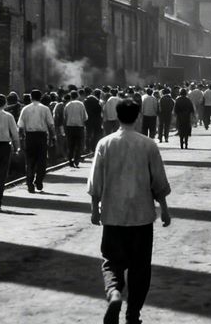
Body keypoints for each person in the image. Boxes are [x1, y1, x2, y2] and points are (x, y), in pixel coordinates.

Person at [89, 100, 171, 324]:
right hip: (141, 217)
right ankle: (133, 314)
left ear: (117, 116)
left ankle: (114, 292)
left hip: (112, 215)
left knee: (111, 261)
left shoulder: (105, 143)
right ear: (138, 116)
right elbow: (158, 181)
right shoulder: (148, 145)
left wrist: (94, 209)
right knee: (140, 267)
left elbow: (96, 180)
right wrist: (164, 209)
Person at [18, 89, 54, 193]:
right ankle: (39, 181)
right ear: (40, 97)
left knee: (30, 161)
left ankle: (29, 183)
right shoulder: (45, 109)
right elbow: (51, 125)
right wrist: (52, 137)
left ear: (31, 97)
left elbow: (20, 126)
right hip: (42, 137)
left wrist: (21, 138)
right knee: (42, 161)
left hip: (30, 137)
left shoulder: (25, 109)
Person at [63, 91, 88, 168]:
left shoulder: (67, 105)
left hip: (70, 127)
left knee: (71, 144)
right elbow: (85, 117)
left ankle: (70, 160)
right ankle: (76, 160)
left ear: (71, 97)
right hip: (79, 127)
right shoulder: (81, 104)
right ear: (77, 96)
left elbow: (65, 117)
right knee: (79, 144)